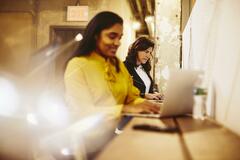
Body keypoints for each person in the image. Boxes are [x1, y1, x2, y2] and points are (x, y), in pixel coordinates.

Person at [64, 11, 160, 120]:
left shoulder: (117, 64)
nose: (117, 43)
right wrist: (124, 109)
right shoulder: (77, 65)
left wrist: (150, 105)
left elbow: (131, 97)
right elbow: (82, 111)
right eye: (112, 36)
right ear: (95, 36)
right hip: (84, 135)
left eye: (119, 38)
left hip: (113, 132)